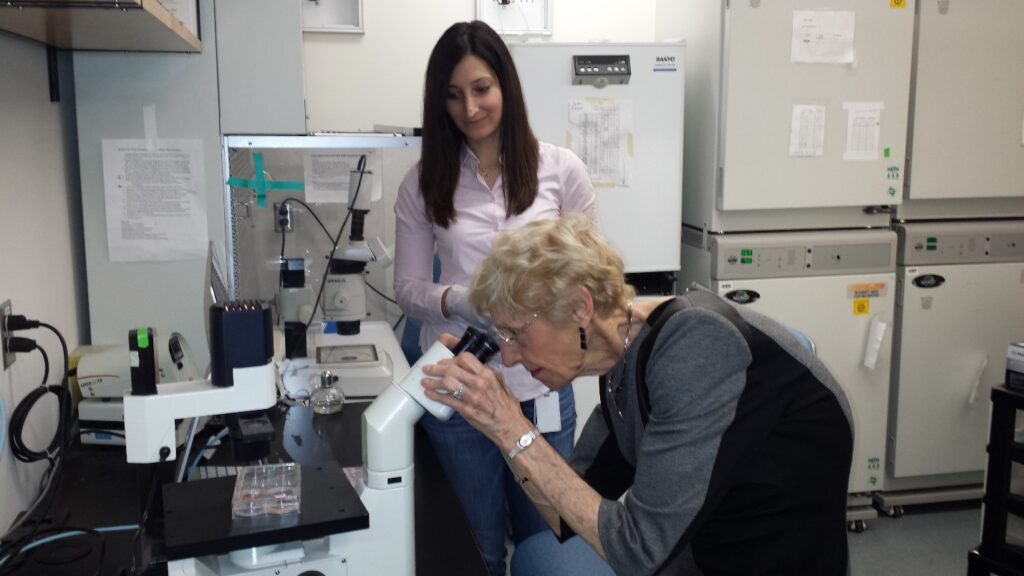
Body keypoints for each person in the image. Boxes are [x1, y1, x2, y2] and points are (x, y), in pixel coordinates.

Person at [419, 214, 855, 576]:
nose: (508, 357)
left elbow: (640, 550)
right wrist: (497, 429)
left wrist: (512, 426)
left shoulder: (696, 347)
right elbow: (563, 515)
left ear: (579, 308)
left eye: (515, 333)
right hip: (701, 549)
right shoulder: (622, 364)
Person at [393, 21, 598, 575]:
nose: (470, 108)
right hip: (460, 383)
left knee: (548, 544)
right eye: (454, 95)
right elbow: (407, 288)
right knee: (475, 549)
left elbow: (590, 276)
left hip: (542, 382)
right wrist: (461, 299)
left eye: (481, 88)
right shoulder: (422, 183)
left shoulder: (561, 170)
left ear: (505, 85)